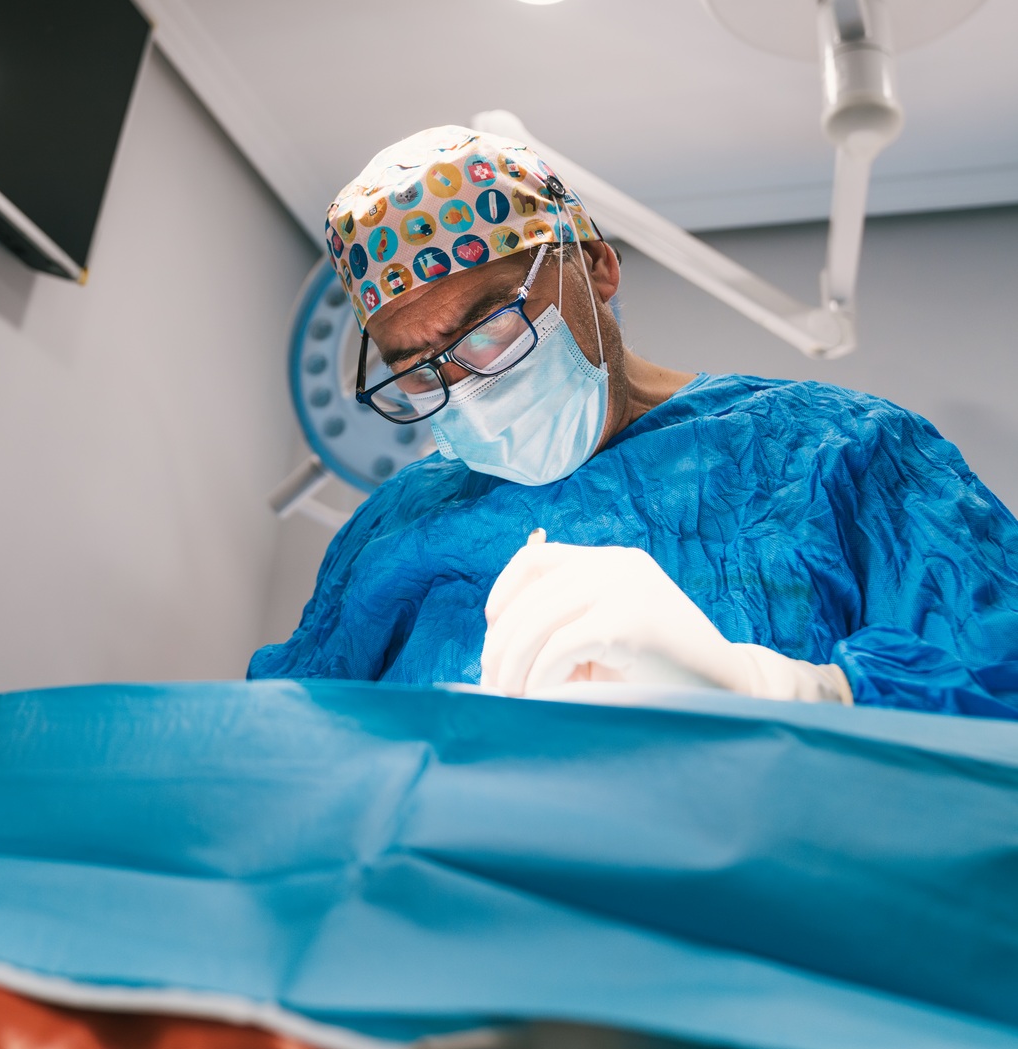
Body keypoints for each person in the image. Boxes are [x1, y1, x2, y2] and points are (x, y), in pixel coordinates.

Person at [250, 125, 1018, 716]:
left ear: (595, 265)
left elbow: (998, 690)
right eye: (419, 368)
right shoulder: (392, 530)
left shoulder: (842, 456)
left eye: (489, 330)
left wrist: (789, 692)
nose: (466, 388)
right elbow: (277, 763)